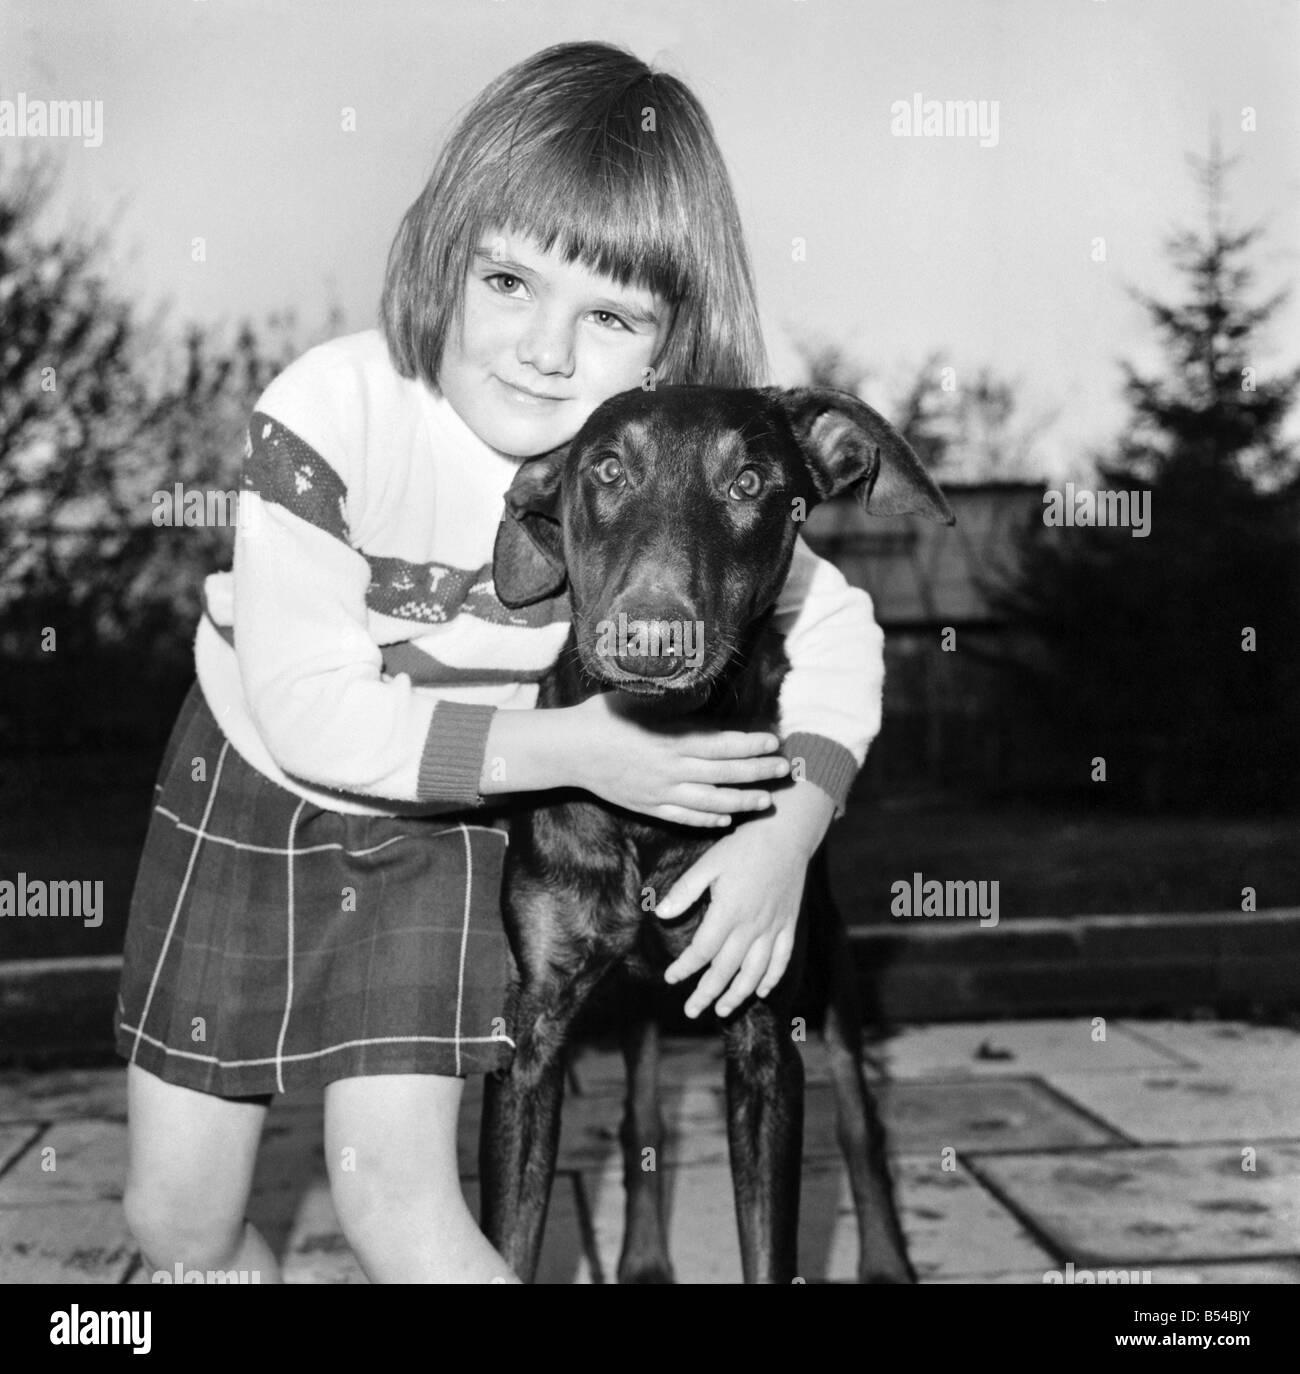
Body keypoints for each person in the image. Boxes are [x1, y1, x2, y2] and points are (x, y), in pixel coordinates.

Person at [116, 40, 885, 1284]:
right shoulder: (331, 413)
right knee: (177, 1224)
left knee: (403, 1210)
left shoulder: (649, 469)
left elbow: (837, 630)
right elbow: (311, 712)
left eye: (610, 317)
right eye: (509, 281)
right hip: (252, 791)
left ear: (668, 348)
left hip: (445, 827)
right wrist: (579, 748)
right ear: (447, 254)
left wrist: (789, 832)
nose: (544, 349)